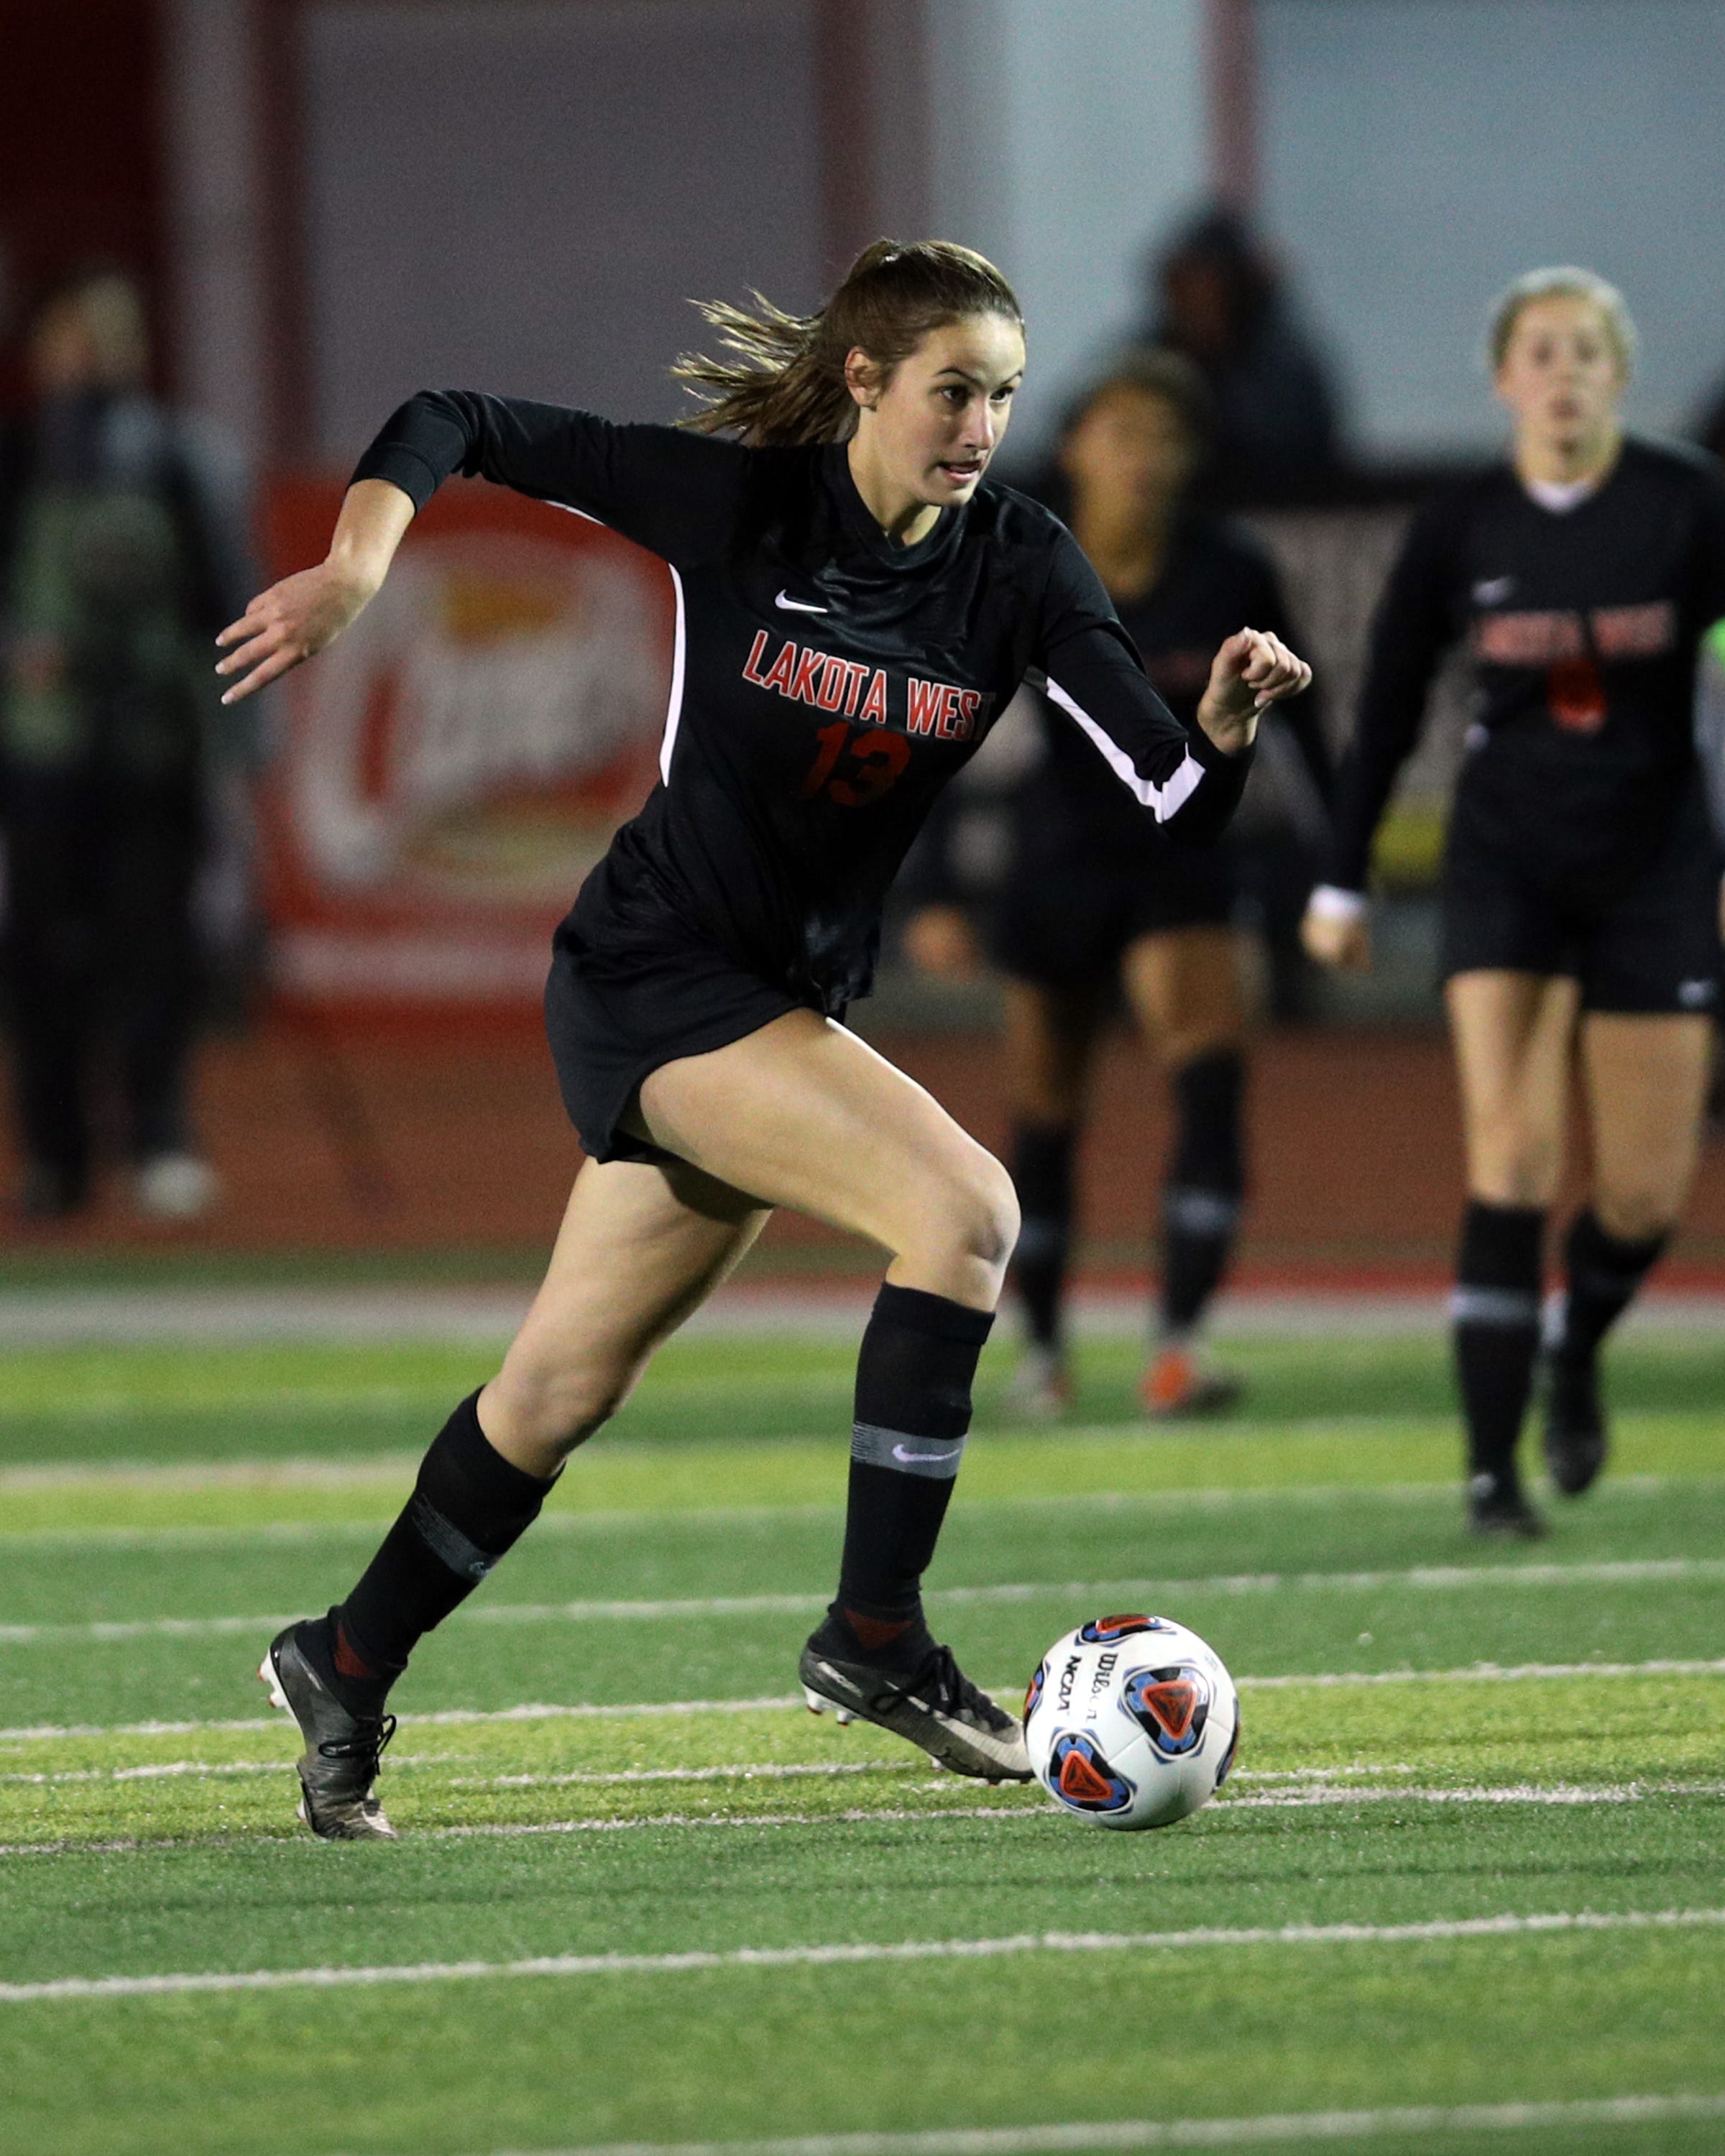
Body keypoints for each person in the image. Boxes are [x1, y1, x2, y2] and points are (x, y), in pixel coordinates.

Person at [218, 239, 1310, 1838]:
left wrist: (1218, 729)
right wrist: (363, 566)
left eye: (1004, 393)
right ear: (864, 380)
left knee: (557, 1388)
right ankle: (874, 1635)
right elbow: (451, 414)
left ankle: (345, 1657)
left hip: (776, 1008)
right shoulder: (744, 511)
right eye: (954, 388)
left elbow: (1171, 806)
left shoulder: (1018, 566)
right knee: (966, 1214)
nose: (983, 424)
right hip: (653, 974)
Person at [1302, 267, 1725, 1538]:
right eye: (1539, 352)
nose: (1563, 372)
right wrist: (1342, 866)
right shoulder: (1464, 523)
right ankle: (1492, 1473)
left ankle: (1577, 1344)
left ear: (1620, 374)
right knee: (1514, 1157)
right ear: (1503, 380)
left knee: (1647, 1196)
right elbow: (1383, 705)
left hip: (1654, 863)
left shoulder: (1687, 505)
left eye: (1587, 351)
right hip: (1508, 864)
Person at [903, 351, 1330, 1416]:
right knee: (1045, 1114)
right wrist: (935, 889)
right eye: (1123, 430)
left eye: (1168, 435)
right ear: (1078, 444)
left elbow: (1306, 732)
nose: (1145, 454)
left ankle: (1177, 1347)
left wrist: (1343, 879)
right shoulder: (1019, 559)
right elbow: (941, 724)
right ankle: (1043, 1357)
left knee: (1212, 1076)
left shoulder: (1230, 567)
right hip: (1062, 857)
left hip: (1183, 856)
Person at [0, 268, 252, 1220]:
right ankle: (56, 1156)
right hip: (44, 753)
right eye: (73, 340)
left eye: (107, 340)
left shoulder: (187, 462)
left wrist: (233, 740)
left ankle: (159, 1139)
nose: (90, 361)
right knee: (41, 955)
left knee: (158, 949)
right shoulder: (19, 462)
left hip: (157, 746)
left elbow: (233, 604)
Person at [1142, 207, 1343, 507]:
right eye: (1190, 284)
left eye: (1214, 285)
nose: (1200, 299)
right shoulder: (1143, 360)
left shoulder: (1284, 367)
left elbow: (1299, 448)